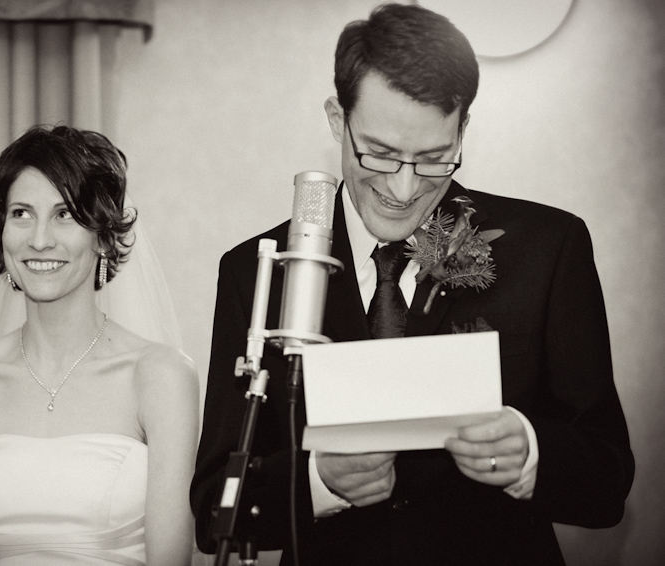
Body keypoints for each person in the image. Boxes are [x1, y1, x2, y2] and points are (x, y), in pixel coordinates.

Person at [190, 4, 634, 565]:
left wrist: (530, 452)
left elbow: (607, 481)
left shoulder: (551, 248)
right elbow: (213, 510)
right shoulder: (258, 270)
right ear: (337, 120)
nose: (402, 189)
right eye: (379, 153)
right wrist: (318, 480)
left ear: (462, 129)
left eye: (432, 159)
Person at [0, 125, 199, 566]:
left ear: (103, 235)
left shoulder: (161, 377)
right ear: (2, 230)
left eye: (65, 214)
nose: (40, 239)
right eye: (21, 213)